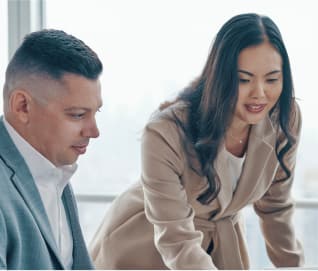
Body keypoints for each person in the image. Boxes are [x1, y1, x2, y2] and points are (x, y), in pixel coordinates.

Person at [89, 13, 303, 269]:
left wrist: (296, 268)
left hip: (217, 248)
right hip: (145, 245)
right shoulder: (165, 131)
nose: (259, 93)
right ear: (220, 77)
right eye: (243, 79)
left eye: (272, 79)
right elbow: (176, 239)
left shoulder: (284, 119)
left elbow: (275, 209)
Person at [0, 29, 103, 269]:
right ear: (23, 106)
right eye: (77, 115)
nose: (93, 131)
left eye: (95, 112)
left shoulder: (54, 169)